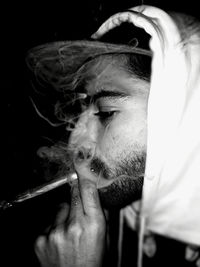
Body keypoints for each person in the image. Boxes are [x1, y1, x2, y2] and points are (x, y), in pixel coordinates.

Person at [26, 4, 200, 267]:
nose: (75, 143)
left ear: (184, 114)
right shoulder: (126, 219)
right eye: (82, 110)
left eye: (106, 112)